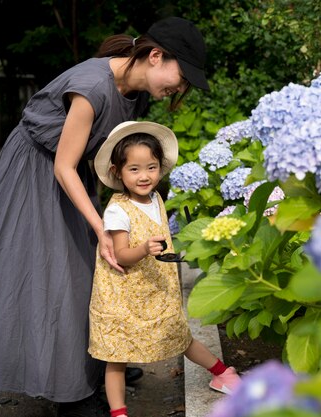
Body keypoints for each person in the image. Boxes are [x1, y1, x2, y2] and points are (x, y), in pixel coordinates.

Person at [0, 16, 211, 417]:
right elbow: (63, 167)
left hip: (71, 171)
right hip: (37, 168)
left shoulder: (134, 92)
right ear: (156, 56)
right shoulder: (91, 89)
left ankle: (102, 362)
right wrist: (102, 228)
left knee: (91, 270)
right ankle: (71, 394)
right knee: (54, 274)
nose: (181, 88)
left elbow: (111, 159)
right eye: (182, 76)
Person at [90, 120, 240, 417]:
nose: (144, 176)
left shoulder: (156, 197)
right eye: (134, 169)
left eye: (151, 167)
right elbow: (121, 254)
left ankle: (223, 373)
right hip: (123, 295)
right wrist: (144, 248)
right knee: (116, 354)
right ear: (117, 172)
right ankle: (118, 413)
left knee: (179, 334)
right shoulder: (118, 209)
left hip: (156, 287)